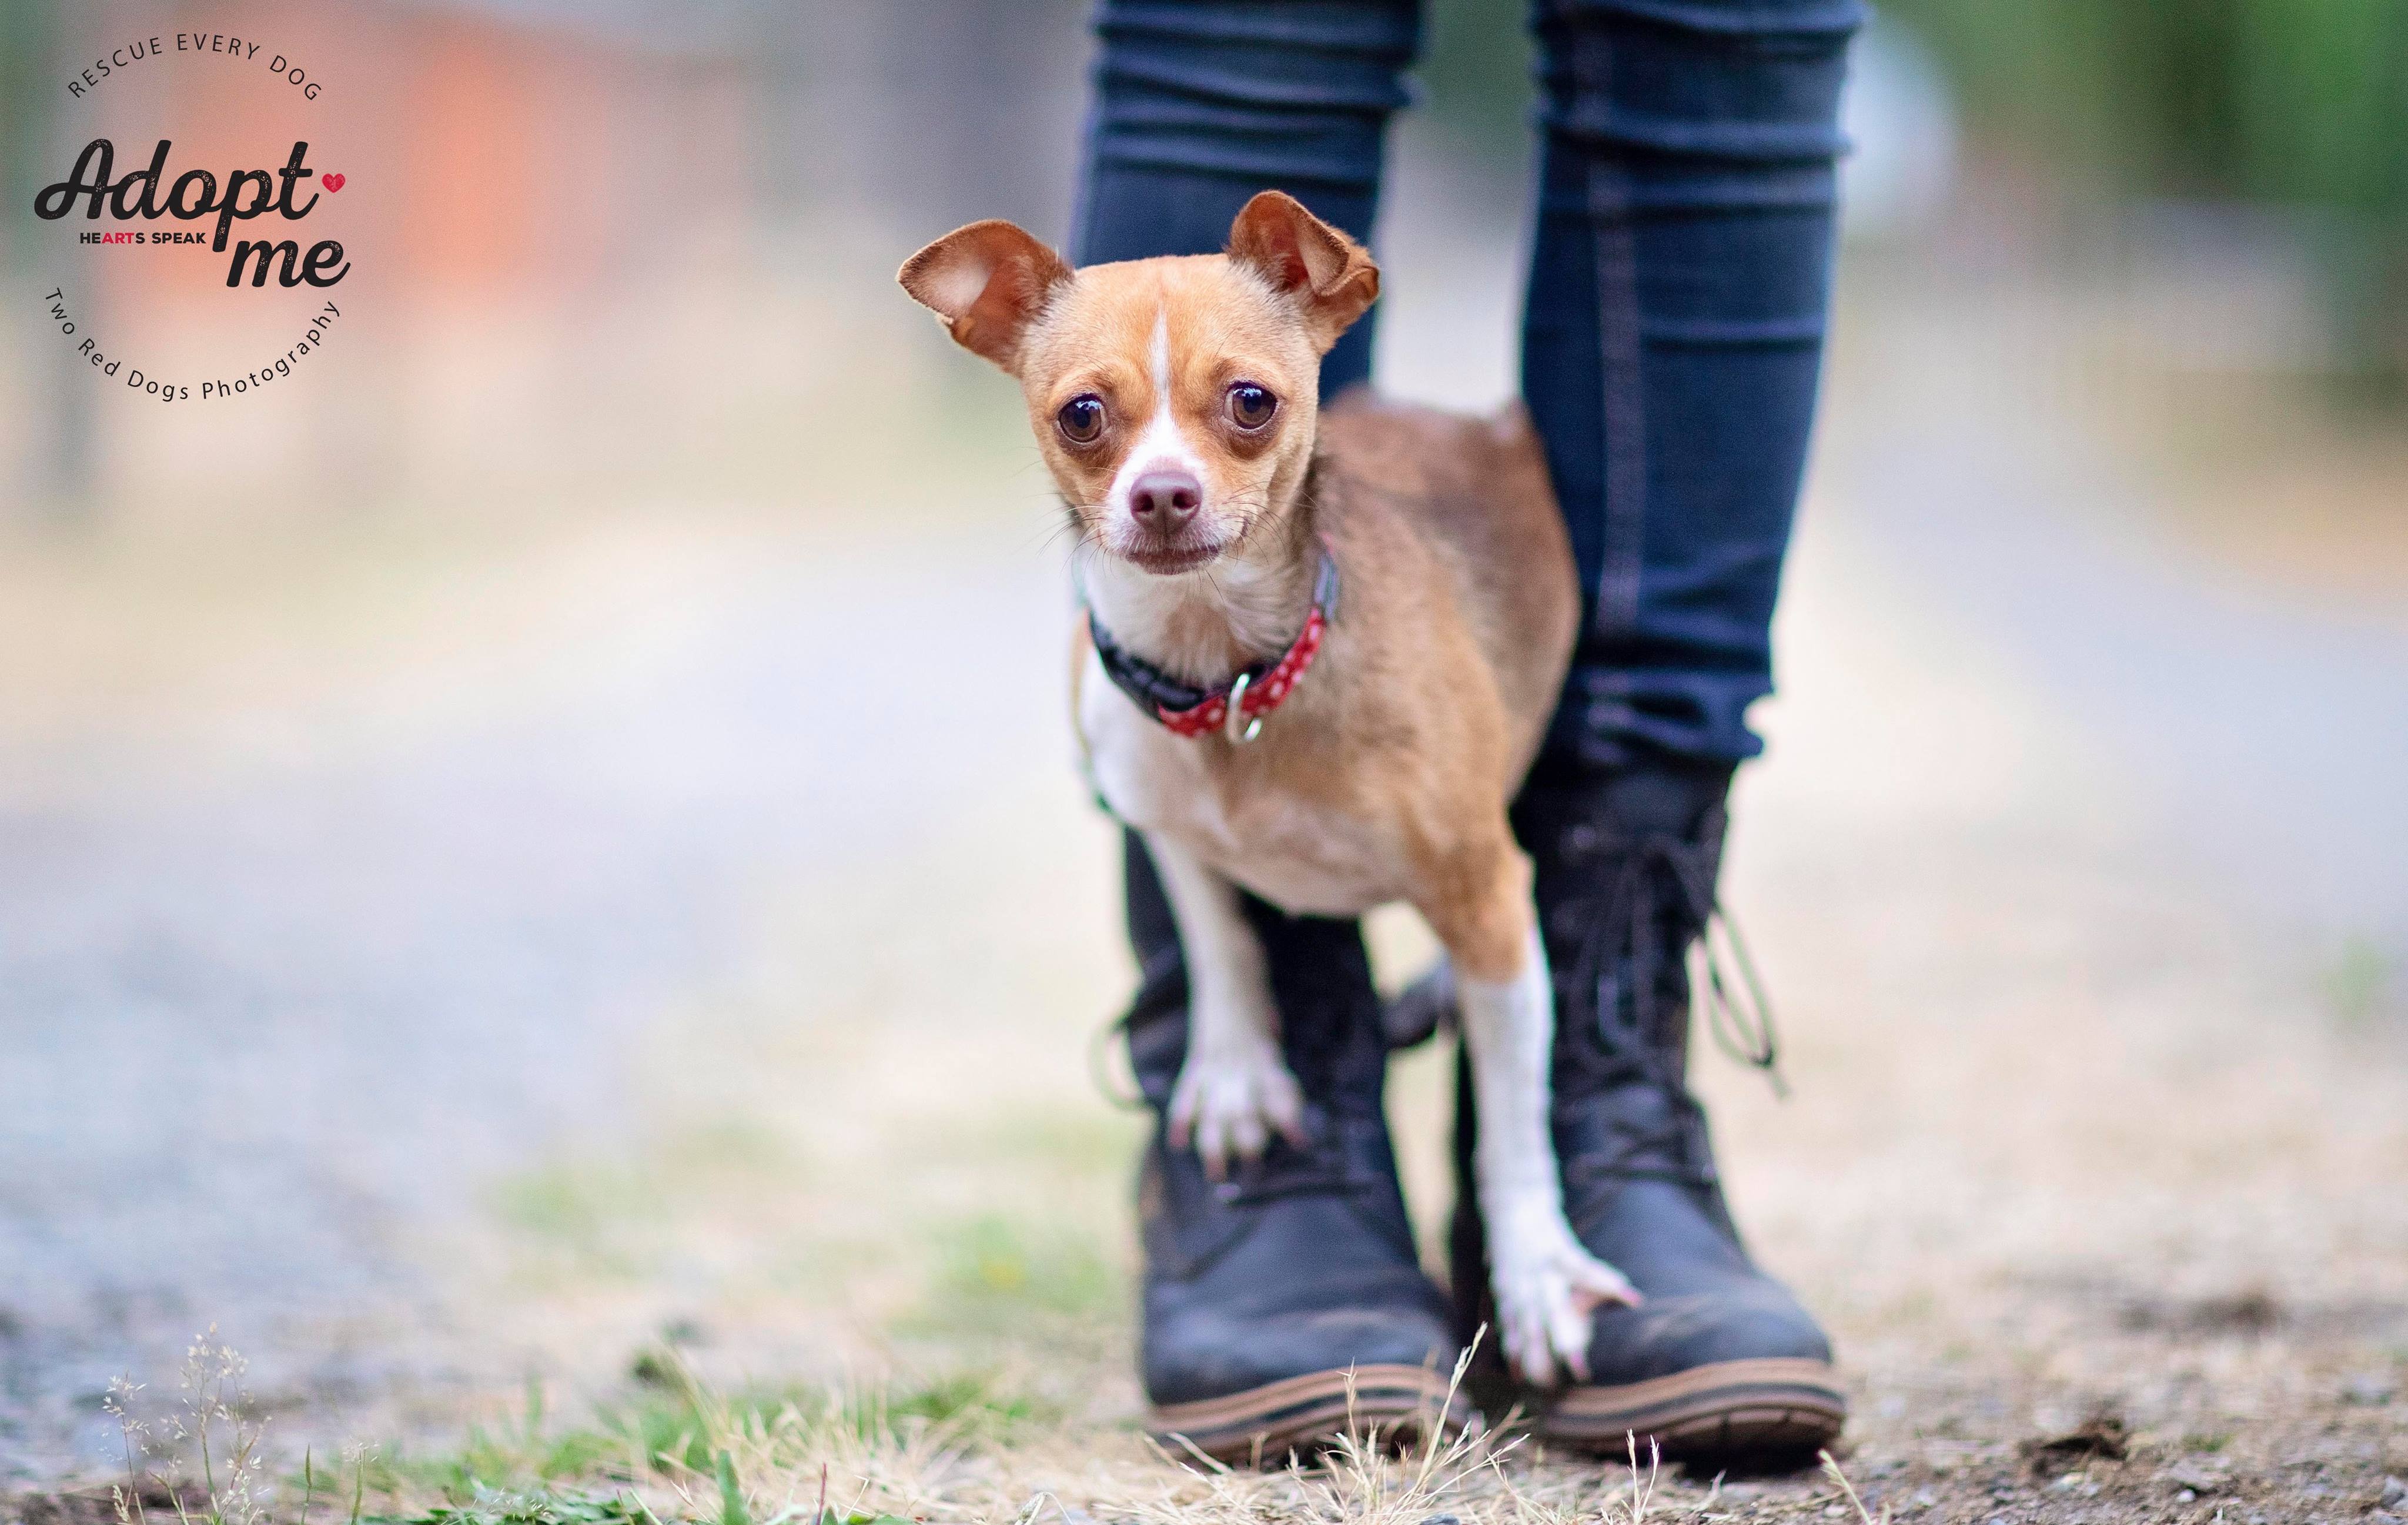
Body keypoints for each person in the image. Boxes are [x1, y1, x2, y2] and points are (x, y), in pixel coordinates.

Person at [1078, 0, 1861, 1463]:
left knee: (1723, 34)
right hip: (1215, 735)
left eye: (1238, 409)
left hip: (1421, 688)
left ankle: (1583, 1121)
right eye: (1089, 422)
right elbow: (1146, 793)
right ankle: (1263, 1092)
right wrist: (1224, 1016)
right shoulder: (1108, 674)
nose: (1161, 478)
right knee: (1234, 32)